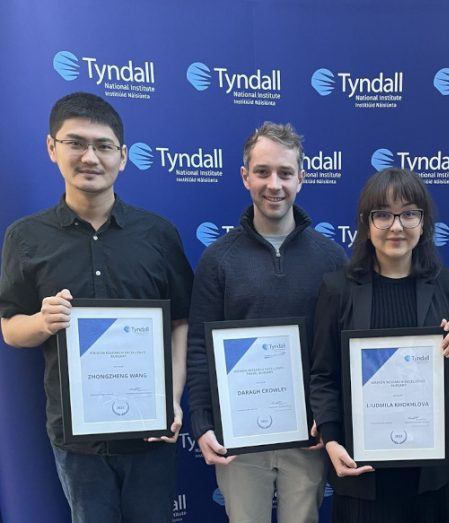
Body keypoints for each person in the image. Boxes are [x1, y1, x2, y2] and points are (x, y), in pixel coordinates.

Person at [0, 92, 193, 523]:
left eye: (103, 146)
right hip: (76, 440)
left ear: (122, 157)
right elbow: (10, 328)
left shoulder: (158, 234)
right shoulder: (25, 238)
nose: (90, 157)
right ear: (52, 148)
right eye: (76, 143)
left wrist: (174, 400)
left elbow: (181, 321)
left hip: (151, 430)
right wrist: (42, 321)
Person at [186, 122, 346, 523]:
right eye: (262, 172)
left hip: (306, 436)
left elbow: (340, 345)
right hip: (238, 437)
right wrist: (202, 421)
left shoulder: (330, 259)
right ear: (245, 177)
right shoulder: (218, 260)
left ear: (301, 179)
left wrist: (329, 419)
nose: (274, 184)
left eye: (285, 173)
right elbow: (200, 348)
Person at [310, 167, 449, 522]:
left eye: (409, 213)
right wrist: (332, 441)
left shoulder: (447, 284)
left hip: (426, 475)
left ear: (424, 222)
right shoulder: (338, 289)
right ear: (366, 224)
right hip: (361, 473)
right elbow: (323, 375)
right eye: (383, 214)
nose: (396, 226)